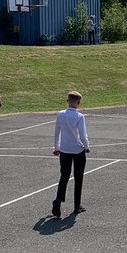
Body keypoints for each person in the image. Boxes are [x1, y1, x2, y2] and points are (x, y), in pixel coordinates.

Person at [52, 90, 90, 218]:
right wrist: (87, 146)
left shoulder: (60, 114)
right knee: (78, 177)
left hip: (64, 149)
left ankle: (58, 199)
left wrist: (57, 147)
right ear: (78, 103)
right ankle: (76, 205)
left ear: (68, 101)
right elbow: (83, 135)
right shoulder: (79, 117)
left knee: (64, 176)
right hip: (77, 149)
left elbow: (57, 132)